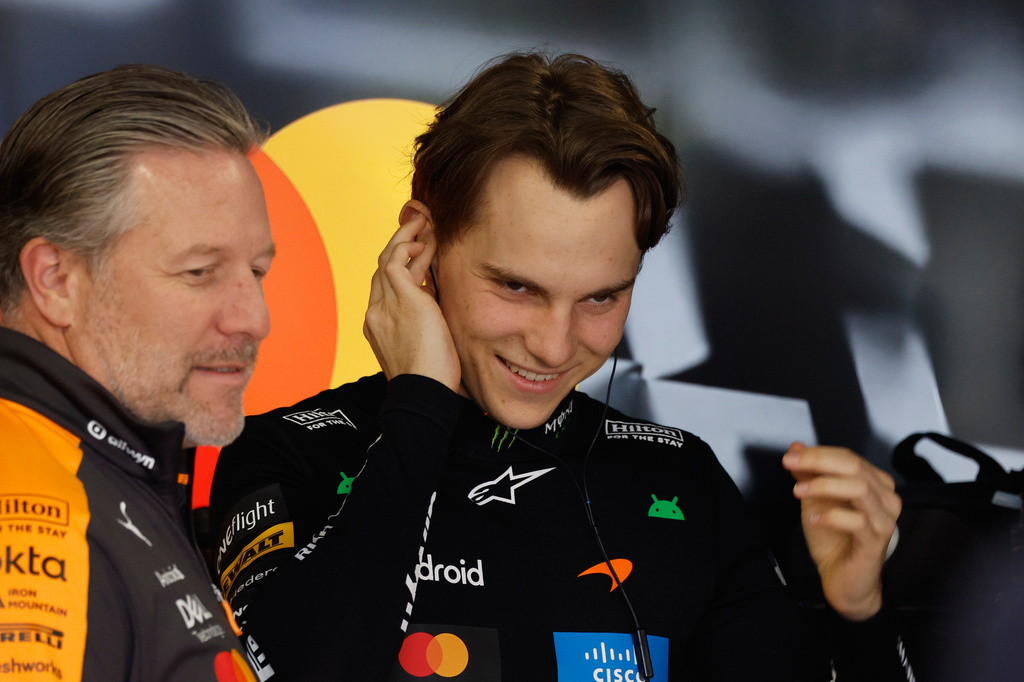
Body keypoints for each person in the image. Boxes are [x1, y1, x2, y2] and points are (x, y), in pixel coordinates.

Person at [210, 52, 909, 681]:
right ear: (421, 244)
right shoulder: (283, 453)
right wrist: (421, 403)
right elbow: (293, 668)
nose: (552, 344)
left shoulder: (680, 481)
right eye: (517, 287)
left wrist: (858, 616)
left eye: (601, 297)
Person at [0, 65, 276, 681]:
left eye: (256, 271)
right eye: (199, 272)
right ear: (55, 280)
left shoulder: (109, 473)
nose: (254, 319)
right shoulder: (39, 510)